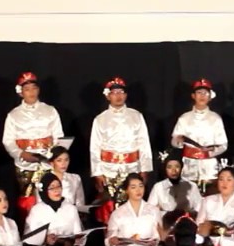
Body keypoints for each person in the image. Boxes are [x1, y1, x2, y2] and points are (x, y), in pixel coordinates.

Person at [89, 76, 153, 223]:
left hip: (131, 167)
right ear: (108, 95)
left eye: (121, 92)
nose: (118, 96)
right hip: (109, 168)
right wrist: (97, 172)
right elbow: (95, 147)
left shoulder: (136, 116)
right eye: (114, 93)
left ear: (126, 95)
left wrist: (145, 168)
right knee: (109, 206)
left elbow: (143, 143)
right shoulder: (100, 119)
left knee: (131, 204)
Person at [1, 71, 64, 212]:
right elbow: (8, 140)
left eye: (34, 88)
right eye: (27, 89)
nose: (31, 92)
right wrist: (21, 154)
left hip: (47, 163)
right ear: (20, 92)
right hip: (25, 165)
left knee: (50, 196)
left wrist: (53, 155)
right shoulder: (13, 115)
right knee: (27, 199)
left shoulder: (50, 110)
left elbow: (58, 136)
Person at [172, 78, 229, 191]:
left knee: (209, 197)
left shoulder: (215, 118)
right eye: (199, 93)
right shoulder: (184, 118)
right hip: (189, 165)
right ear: (193, 96)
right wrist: (178, 140)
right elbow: (175, 140)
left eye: (205, 93)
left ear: (210, 96)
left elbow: (223, 144)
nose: (202, 96)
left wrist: (209, 152)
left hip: (209, 166)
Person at [148, 148, 201, 217]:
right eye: (169, 167)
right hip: (165, 222)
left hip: (186, 222)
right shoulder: (158, 187)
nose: (173, 170)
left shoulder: (191, 186)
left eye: (177, 166)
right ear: (165, 169)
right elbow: (150, 209)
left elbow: (199, 208)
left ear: (181, 168)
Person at [46, 146, 88, 211]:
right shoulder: (44, 180)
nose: (63, 164)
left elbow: (80, 204)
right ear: (51, 163)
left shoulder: (75, 178)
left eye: (66, 160)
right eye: (59, 160)